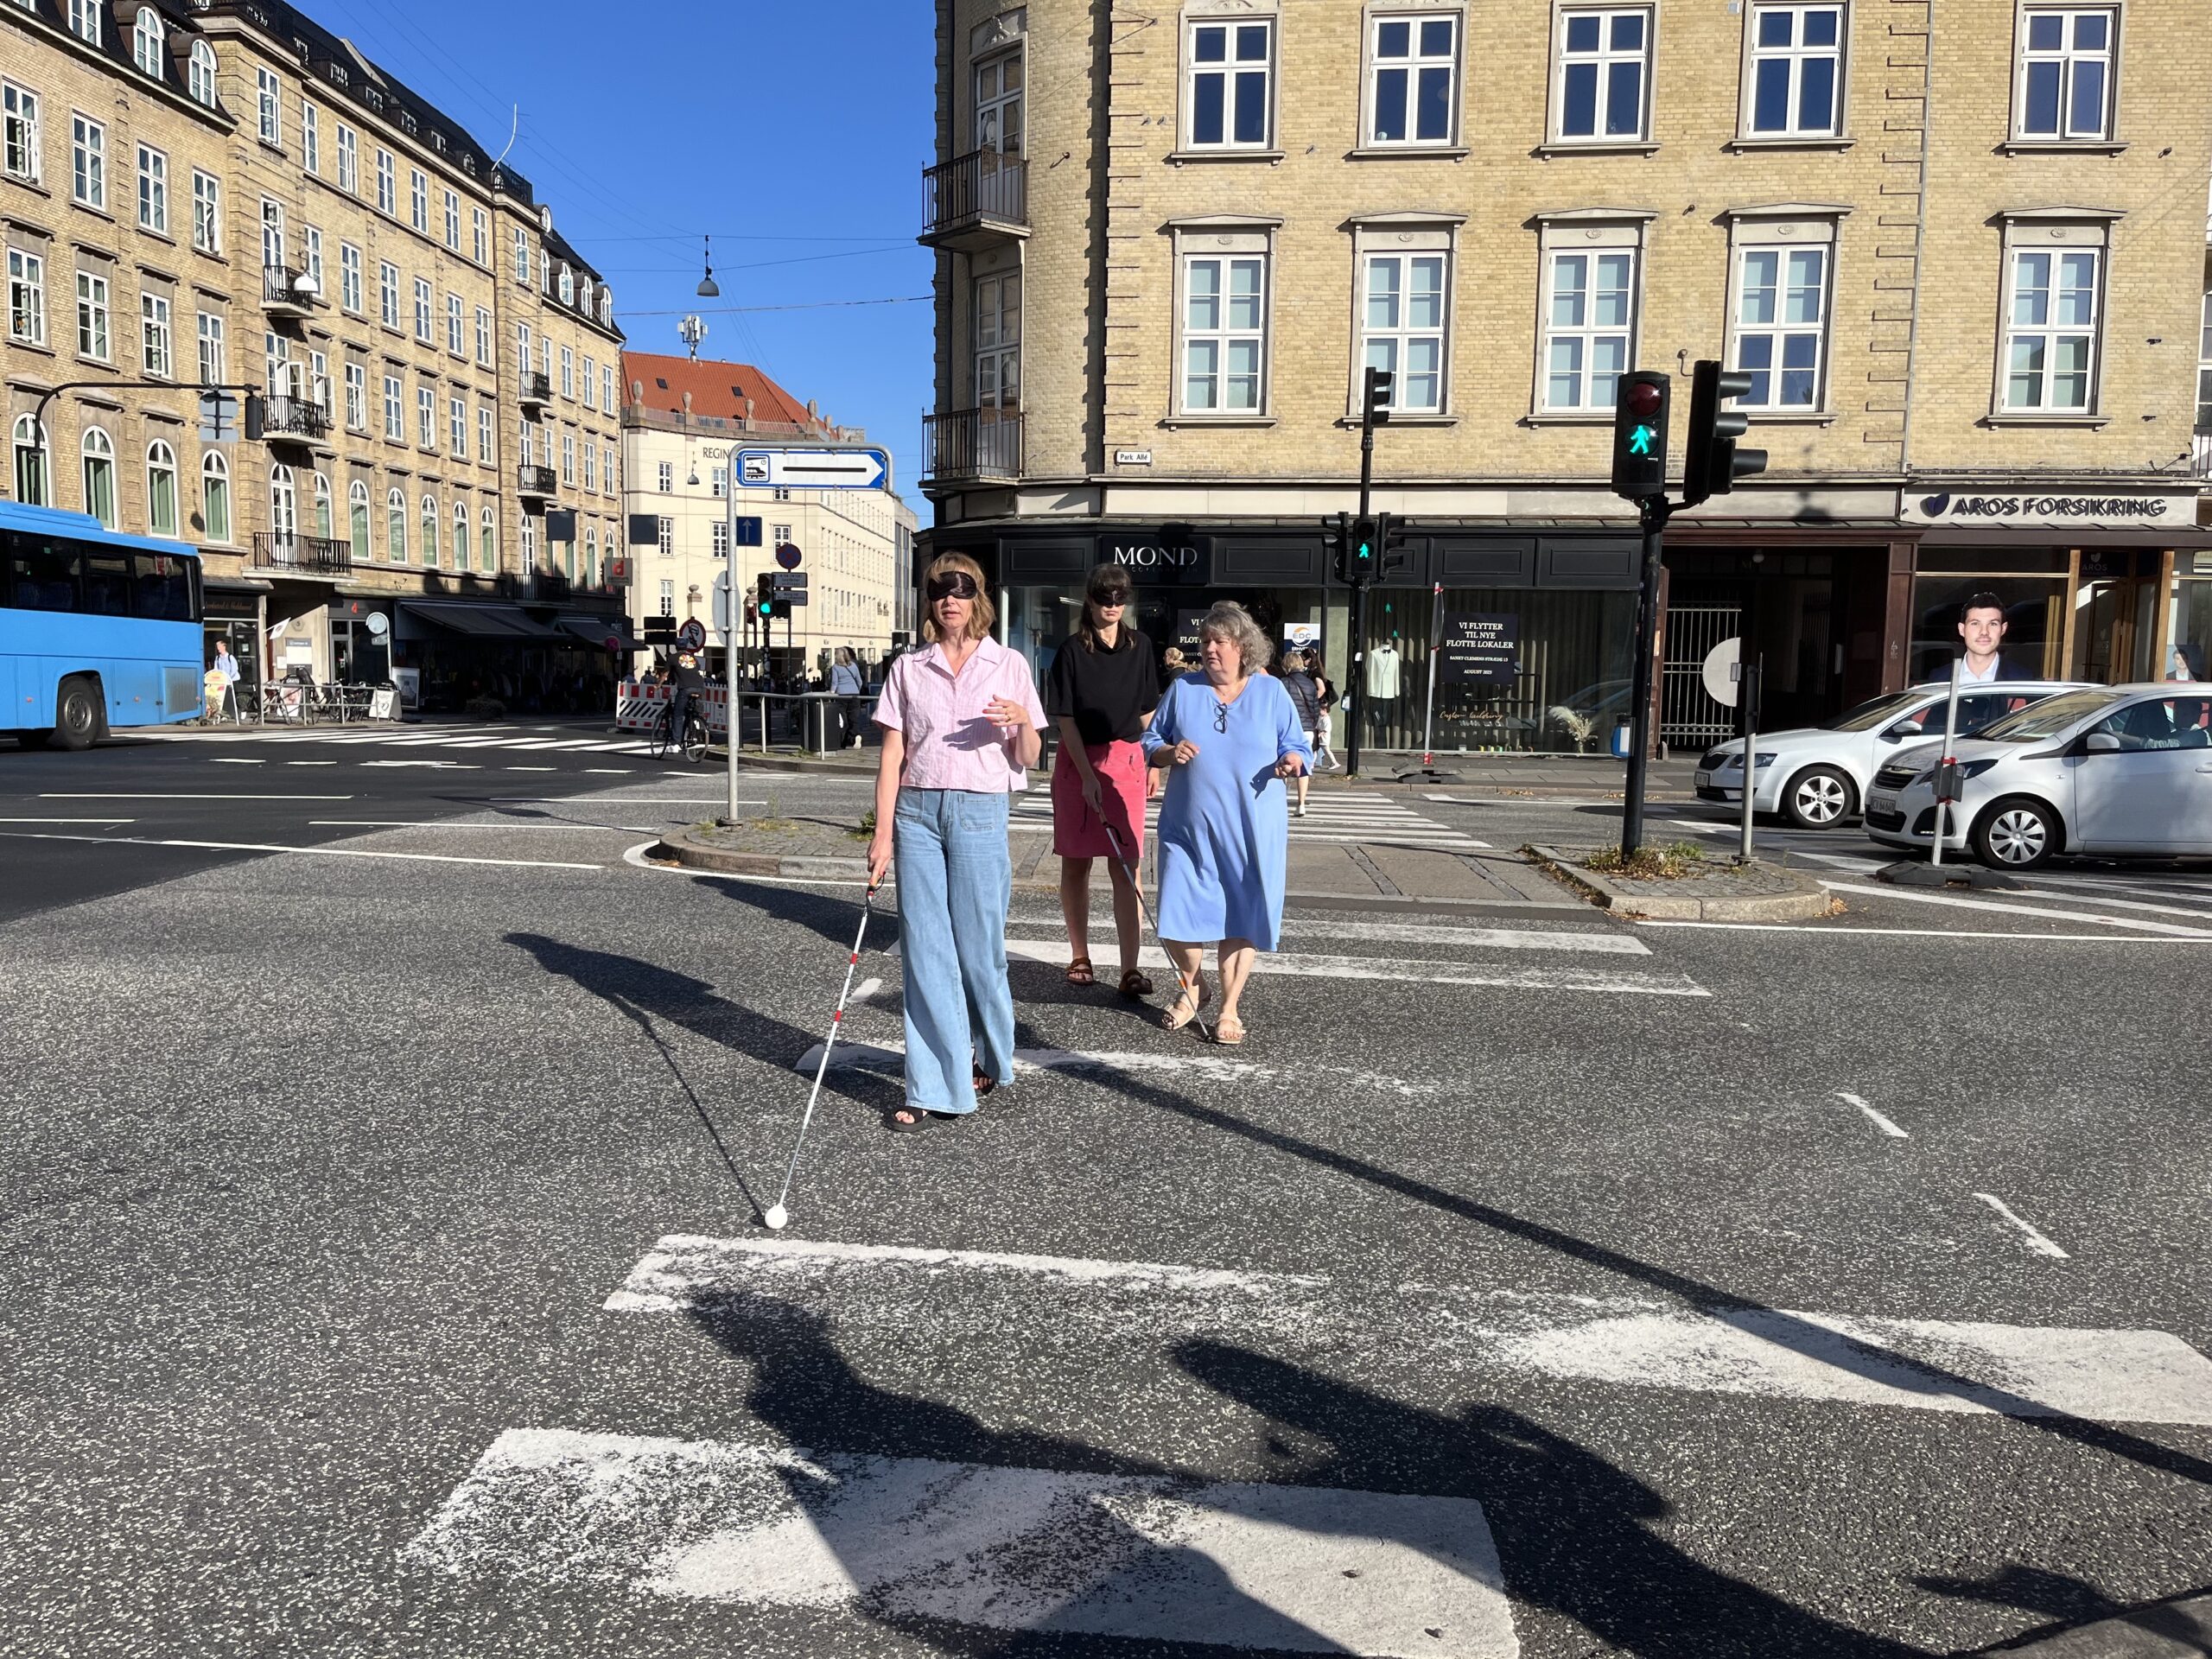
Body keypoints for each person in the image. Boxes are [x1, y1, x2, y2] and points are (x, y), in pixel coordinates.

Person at [867, 553, 1045, 1131]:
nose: (951, 599)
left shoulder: (1007, 663)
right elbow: (893, 754)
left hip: (978, 812)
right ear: (931, 600)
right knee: (925, 952)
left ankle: (993, 1055)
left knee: (978, 952)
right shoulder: (909, 667)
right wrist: (883, 833)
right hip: (917, 814)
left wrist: (1022, 721)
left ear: (978, 600)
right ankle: (937, 1084)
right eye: (942, 589)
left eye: (962, 589)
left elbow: (1028, 757)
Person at [1142, 601, 1310, 1046]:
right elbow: (1151, 739)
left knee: (1242, 915)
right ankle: (1193, 984)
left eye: (1219, 642)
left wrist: (1292, 761)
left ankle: (1230, 1007)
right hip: (1188, 827)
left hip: (1252, 829)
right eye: (1205, 642)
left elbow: (1296, 745)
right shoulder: (1184, 689)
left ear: (1243, 648)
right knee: (1176, 913)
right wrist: (1166, 754)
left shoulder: (1271, 692)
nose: (1210, 649)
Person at [1045, 563, 1162, 1000]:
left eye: (1119, 598)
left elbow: (1149, 711)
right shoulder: (1073, 650)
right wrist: (1087, 774)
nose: (1112, 606)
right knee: (1076, 862)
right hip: (1079, 761)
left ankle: (1130, 966)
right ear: (1089, 600)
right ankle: (1080, 954)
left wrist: (1155, 761)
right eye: (1103, 597)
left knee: (1127, 867)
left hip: (1128, 758)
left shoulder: (1142, 646)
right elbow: (1064, 719)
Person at [1278, 650, 1322, 817]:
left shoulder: (1282, 683)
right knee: (1304, 768)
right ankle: (1301, 804)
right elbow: (1315, 709)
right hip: (1307, 730)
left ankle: (1281, 801)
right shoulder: (1310, 684)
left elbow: (1279, 709)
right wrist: (1311, 725)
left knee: (1284, 764)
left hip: (1288, 729)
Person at [1957, 593, 2032, 683]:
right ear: (1962, 629)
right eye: (1975, 623)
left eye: (1993, 624)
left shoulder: (2023, 679)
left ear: (2003, 629)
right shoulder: (1939, 678)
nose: (1984, 632)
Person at [667, 650, 706, 751]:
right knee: (692, 712)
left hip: (685, 688)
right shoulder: (693, 658)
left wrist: (658, 685)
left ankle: (676, 743)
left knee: (678, 714)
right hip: (700, 687)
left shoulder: (672, 658)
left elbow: (665, 674)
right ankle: (694, 732)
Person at [1306, 651, 1338, 772]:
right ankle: (1316, 762)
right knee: (1317, 741)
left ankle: (1316, 762)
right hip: (1318, 706)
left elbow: (1321, 689)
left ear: (1309, 659)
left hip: (1317, 705)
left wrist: (1312, 702)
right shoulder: (1317, 671)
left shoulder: (1315, 673)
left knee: (1318, 741)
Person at [830, 646, 868, 748]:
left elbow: (834, 682)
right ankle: (855, 736)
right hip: (854, 695)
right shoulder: (854, 666)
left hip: (841, 696)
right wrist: (856, 690)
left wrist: (832, 693)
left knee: (843, 720)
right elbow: (859, 681)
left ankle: (842, 742)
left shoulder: (835, 667)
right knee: (854, 718)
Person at [209, 641, 242, 723]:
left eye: (219, 646)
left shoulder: (230, 657)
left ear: (224, 647)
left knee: (232, 698)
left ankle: (236, 714)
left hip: (232, 680)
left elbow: (234, 669)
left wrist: (229, 678)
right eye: (217, 647)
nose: (218, 648)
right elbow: (216, 669)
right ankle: (224, 715)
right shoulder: (218, 658)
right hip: (223, 681)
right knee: (223, 698)